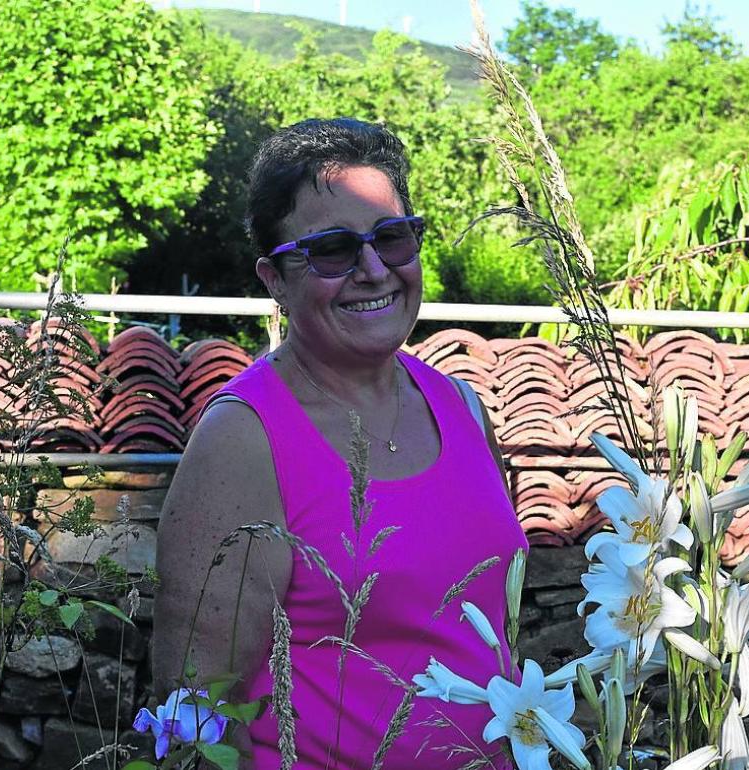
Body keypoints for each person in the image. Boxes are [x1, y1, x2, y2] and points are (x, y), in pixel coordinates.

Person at [154, 117, 526, 769]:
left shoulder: (462, 408)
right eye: (333, 250)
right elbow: (197, 710)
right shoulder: (244, 438)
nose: (374, 269)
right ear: (274, 278)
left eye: (393, 237)